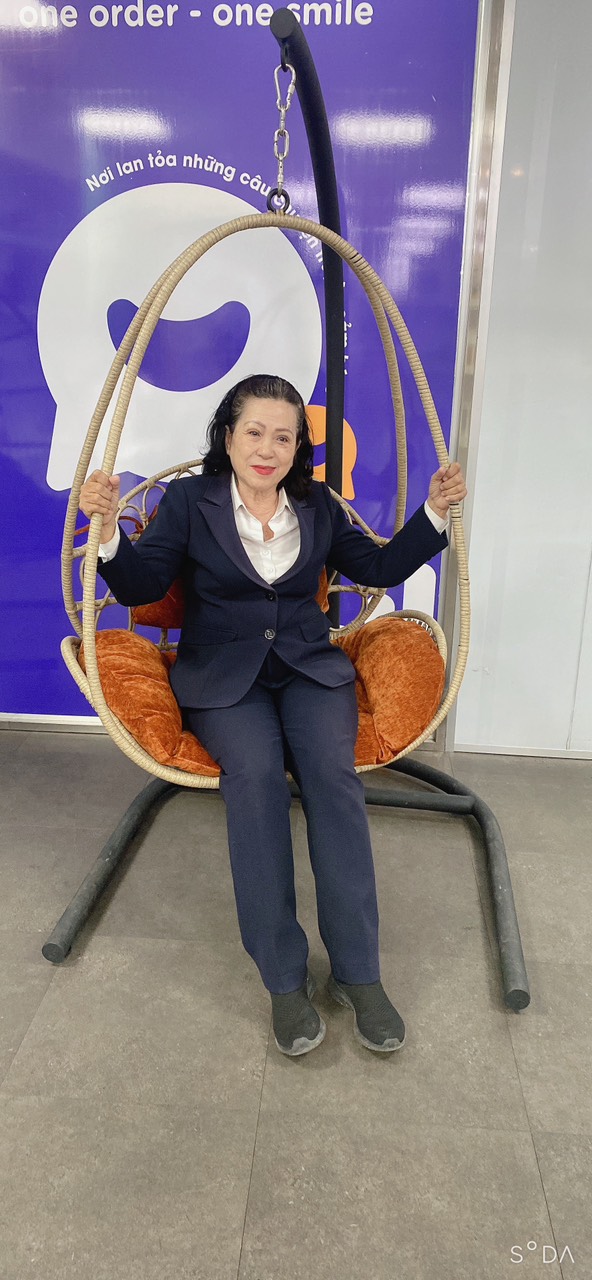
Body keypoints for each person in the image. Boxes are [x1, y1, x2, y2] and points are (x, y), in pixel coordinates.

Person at [79, 373, 467, 1058]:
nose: (267, 448)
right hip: (224, 678)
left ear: (297, 448)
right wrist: (108, 533)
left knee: (333, 781)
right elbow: (143, 585)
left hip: (310, 670)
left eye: (283, 437)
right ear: (228, 437)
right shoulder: (190, 501)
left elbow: (378, 568)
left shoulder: (315, 504)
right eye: (254, 432)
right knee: (254, 780)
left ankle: (358, 973)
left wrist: (435, 511)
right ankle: (285, 980)